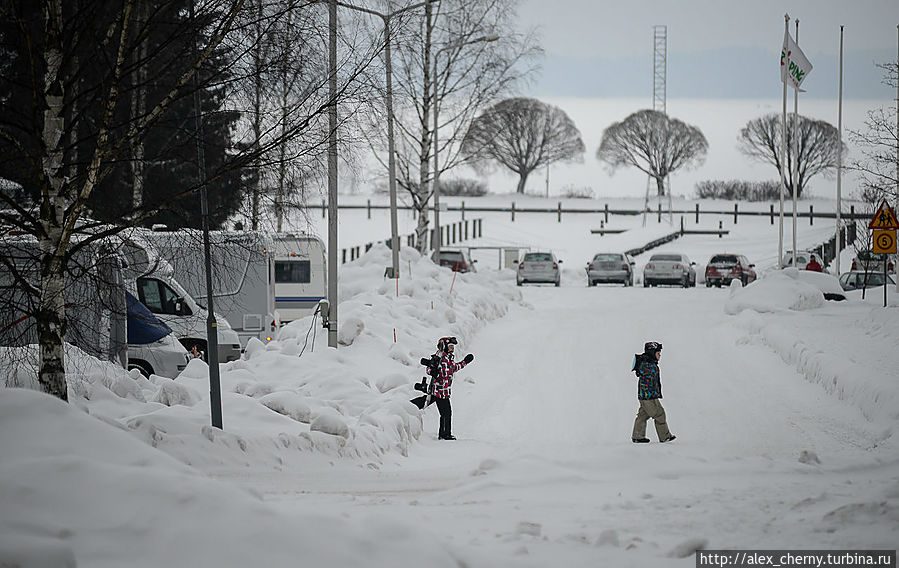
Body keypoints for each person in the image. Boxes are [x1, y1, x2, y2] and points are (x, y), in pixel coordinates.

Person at [410, 337, 474, 440]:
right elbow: (429, 368)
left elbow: (453, 368)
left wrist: (465, 362)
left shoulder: (449, 358)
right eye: (450, 347)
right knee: (446, 412)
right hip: (438, 390)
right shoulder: (439, 357)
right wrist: (433, 371)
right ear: (444, 347)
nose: (452, 349)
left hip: (444, 391)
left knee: (426, 402)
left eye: (453, 347)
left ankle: (410, 407)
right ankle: (444, 435)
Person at [631, 341, 675, 444]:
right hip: (648, 397)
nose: (659, 355)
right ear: (652, 353)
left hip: (646, 396)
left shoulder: (649, 364)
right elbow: (645, 376)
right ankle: (665, 436)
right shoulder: (647, 365)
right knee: (659, 414)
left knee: (643, 415)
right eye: (657, 353)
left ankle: (637, 436)